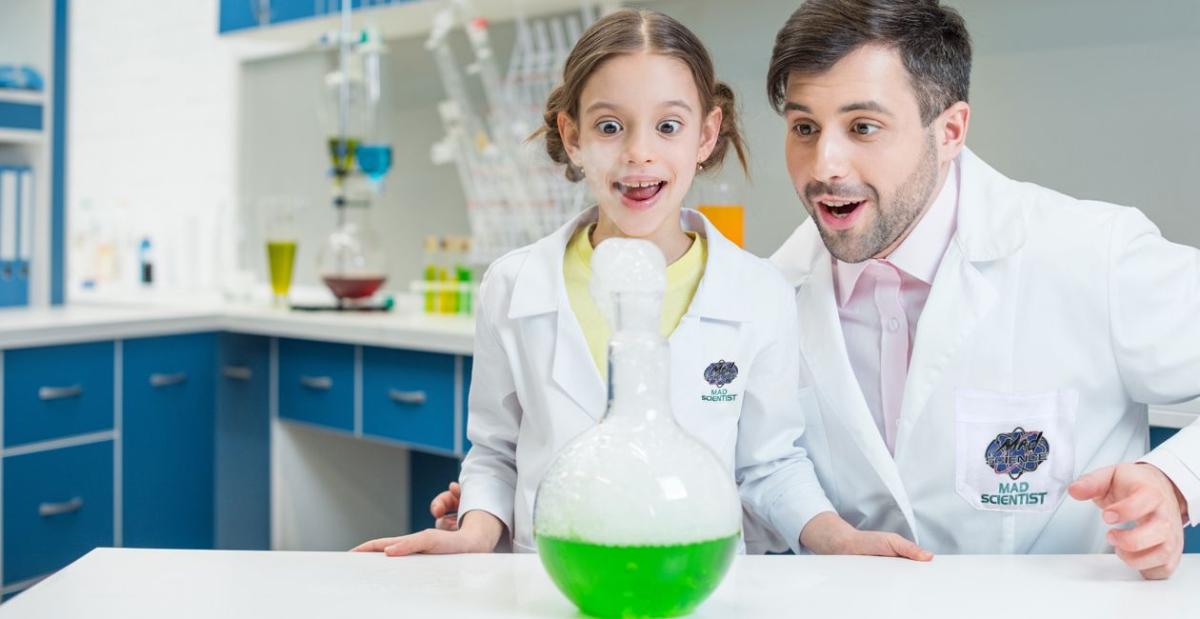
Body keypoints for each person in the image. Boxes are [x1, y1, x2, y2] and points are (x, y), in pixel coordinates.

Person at [353, 8, 913, 558]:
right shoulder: (515, 284)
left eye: (668, 126)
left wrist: (839, 539)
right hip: (554, 580)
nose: (638, 152)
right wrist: (475, 533)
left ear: (706, 134)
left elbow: (769, 464)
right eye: (610, 126)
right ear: (572, 137)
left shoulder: (758, 293)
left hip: (691, 578)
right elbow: (496, 452)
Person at [767, 0, 1198, 579]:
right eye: (804, 128)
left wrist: (1175, 480)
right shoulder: (771, 290)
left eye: (863, 127)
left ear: (949, 131)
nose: (825, 164)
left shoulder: (1093, 254)